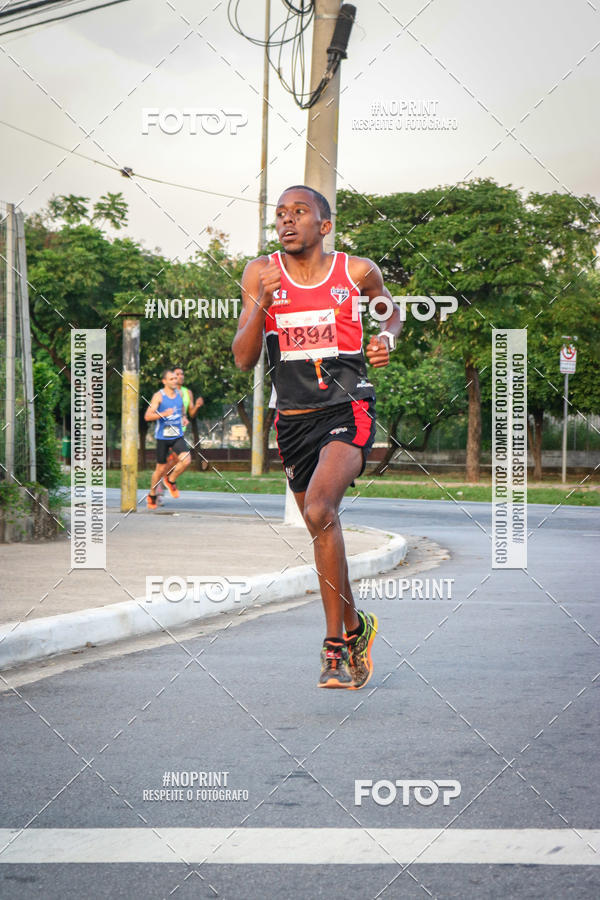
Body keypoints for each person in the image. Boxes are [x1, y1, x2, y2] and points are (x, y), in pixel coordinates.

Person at [232, 184, 402, 689]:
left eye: (299, 213)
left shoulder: (355, 270)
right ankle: (356, 626)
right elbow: (244, 357)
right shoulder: (260, 274)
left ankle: (332, 648)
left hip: (348, 409)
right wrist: (262, 301)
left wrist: (385, 338)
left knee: (320, 511)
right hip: (293, 418)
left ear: (324, 226)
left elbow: (388, 308)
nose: (286, 221)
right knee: (321, 531)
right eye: (280, 214)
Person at [144, 369, 191, 509]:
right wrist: (163, 413)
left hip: (176, 434)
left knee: (186, 460)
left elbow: (182, 409)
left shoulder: (180, 394)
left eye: (175, 378)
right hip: (162, 437)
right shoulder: (158, 396)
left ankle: (170, 480)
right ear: (164, 381)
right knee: (160, 469)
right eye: (171, 379)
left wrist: (184, 418)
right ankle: (152, 494)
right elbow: (147, 416)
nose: (175, 380)